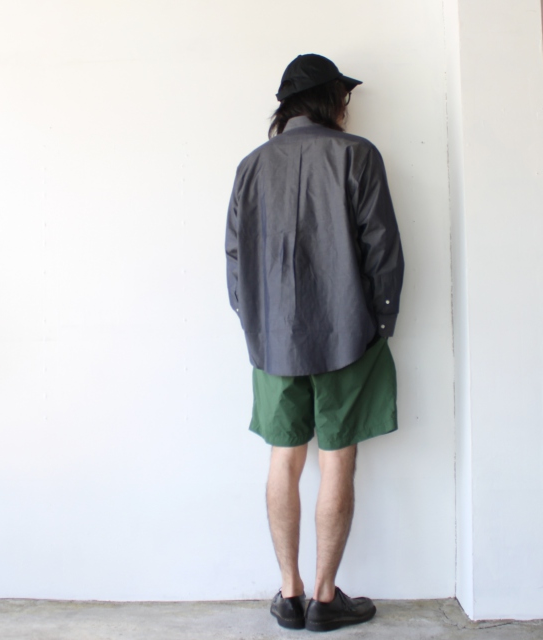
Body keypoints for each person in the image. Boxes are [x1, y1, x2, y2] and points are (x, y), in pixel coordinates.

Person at [225, 54, 404, 632]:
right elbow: (382, 248)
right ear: (331, 102)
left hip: (273, 338)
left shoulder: (251, 166)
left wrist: (255, 322)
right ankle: (325, 600)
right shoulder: (357, 155)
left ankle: (289, 594)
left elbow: (234, 256)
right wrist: (381, 323)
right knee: (338, 459)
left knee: (284, 458)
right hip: (348, 332)